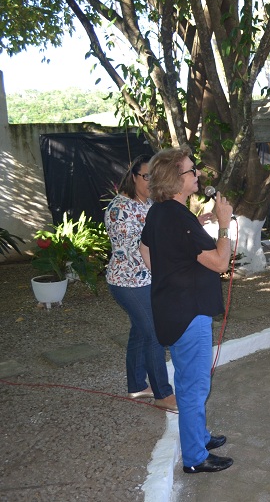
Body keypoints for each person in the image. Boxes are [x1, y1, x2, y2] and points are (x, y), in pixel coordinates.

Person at [140, 148, 233, 474]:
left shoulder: (161, 211)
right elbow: (221, 263)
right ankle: (195, 457)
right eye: (192, 171)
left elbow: (146, 250)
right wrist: (223, 226)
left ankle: (200, 436)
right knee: (194, 387)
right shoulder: (178, 218)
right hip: (188, 314)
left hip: (174, 309)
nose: (197, 175)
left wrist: (171, 273)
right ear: (175, 179)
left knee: (190, 380)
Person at [105, 154, 177, 412]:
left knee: (139, 331)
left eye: (154, 177)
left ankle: (137, 385)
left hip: (144, 279)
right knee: (154, 335)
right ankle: (163, 393)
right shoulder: (120, 208)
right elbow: (140, 246)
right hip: (127, 282)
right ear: (133, 176)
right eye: (146, 176)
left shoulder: (146, 203)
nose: (150, 182)